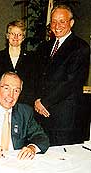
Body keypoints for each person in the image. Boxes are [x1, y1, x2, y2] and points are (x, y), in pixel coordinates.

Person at [34, 5, 90, 146]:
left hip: (65, 120)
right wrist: (36, 100)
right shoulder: (44, 47)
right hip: (42, 117)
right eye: (53, 21)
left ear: (71, 23)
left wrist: (44, 102)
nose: (57, 26)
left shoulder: (81, 47)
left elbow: (71, 82)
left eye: (62, 21)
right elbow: (36, 77)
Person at [0, 20, 37, 106]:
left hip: (25, 105)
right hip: (2, 104)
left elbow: (34, 84)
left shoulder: (33, 59)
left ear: (23, 38)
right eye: (12, 34)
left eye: (19, 34)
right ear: (7, 36)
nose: (15, 37)